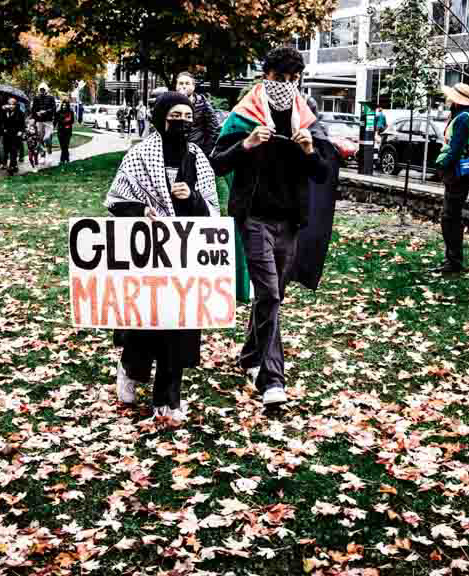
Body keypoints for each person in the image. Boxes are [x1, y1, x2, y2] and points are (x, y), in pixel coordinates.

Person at [209, 47, 332, 407]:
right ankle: (272, 379)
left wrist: (309, 151)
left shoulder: (306, 117)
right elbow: (216, 163)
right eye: (280, 78)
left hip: (290, 220)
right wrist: (246, 145)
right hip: (254, 217)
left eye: (294, 79)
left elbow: (323, 173)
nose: (286, 84)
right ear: (266, 76)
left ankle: (250, 356)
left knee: (272, 295)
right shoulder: (243, 115)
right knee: (270, 293)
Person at [105, 90, 219, 423]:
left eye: (188, 117)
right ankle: (130, 368)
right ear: (160, 119)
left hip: (185, 254)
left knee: (179, 325)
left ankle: (168, 399)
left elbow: (212, 209)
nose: (183, 123)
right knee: (147, 322)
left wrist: (192, 197)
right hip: (148, 254)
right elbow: (116, 200)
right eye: (175, 117)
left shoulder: (197, 158)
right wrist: (142, 210)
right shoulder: (139, 155)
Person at [433, 83, 469, 275]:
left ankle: (454, 262)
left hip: (456, 172)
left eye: (450, 98)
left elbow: (456, 149)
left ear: (457, 101)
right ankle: (452, 260)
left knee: (450, 218)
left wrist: (442, 165)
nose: (448, 101)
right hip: (461, 171)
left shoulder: (464, 118)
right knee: (451, 216)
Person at [176, 72, 221, 156]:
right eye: (181, 83)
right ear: (176, 86)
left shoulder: (203, 103)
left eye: (187, 83)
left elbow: (214, 129)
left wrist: (206, 151)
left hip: (197, 151)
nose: (184, 86)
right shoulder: (171, 103)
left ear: (193, 86)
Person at [1, 97, 25, 175]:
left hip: (16, 134)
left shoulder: (20, 113)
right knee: (7, 149)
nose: (11, 106)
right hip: (7, 134)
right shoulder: (6, 111)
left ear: (15, 105)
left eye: (13, 104)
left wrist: (21, 131)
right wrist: (4, 128)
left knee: (13, 150)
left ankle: (11, 167)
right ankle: (15, 166)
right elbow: (3, 121)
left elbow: (22, 124)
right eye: (9, 104)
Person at [32, 83, 56, 161]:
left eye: (43, 89)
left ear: (46, 90)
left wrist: (46, 112)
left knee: (47, 138)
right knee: (40, 139)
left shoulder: (51, 98)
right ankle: (42, 156)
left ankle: (49, 153)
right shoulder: (36, 98)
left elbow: (54, 109)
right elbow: (33, 109)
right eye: (41, 90)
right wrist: (37, 113)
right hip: (39, 121)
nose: (42, 91)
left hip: (48, 121)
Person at [54, 93, 75, 164]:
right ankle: (67, 159)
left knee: (66, 145)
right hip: (60, 131)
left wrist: (64, 122)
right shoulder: (58, 112)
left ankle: (62, 160)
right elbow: (56, 120)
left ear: (67, 106)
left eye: (65, 105)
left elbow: (72, 121)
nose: (64, 106)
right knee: (62, 146)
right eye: (62, 105)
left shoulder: (70, 112)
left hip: (68, 131)